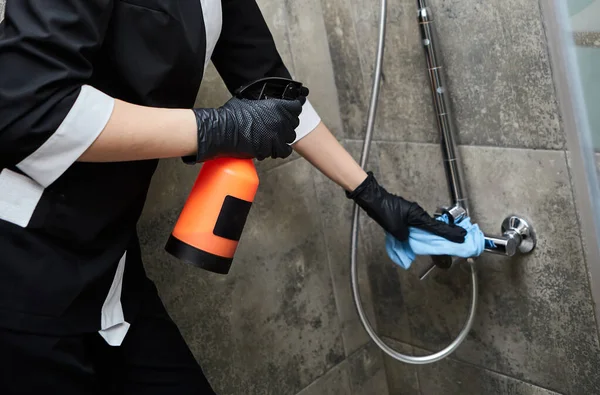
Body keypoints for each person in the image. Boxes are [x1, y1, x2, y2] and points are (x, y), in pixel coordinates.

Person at [0, 0, 466, 393]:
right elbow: (30, 110)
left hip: (109, 263)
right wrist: (216, 129)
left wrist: (373, 196)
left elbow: (274, 94)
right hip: (20, 260)